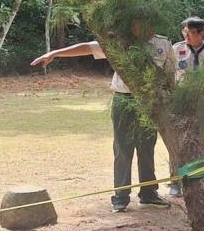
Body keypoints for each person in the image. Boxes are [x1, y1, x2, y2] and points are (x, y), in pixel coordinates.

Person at [32, 32, 176, 212]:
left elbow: (170, 74)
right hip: (123, 99)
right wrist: (54, 53)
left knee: (147, 146)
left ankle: (148, 194)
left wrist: (168, 102)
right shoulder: (120, 40)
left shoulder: (162, 43)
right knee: (122, 148)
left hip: (149, 101)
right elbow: (87, 47)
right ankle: (120, 197)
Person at [167, 16, 204, 197]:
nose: (186, 36)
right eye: (184, 32)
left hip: (202, 100)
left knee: (198, 140)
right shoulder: (176, 49)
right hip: (180, 98)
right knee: (176, 141)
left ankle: (196, 178)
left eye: (191, 32)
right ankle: (175, 181)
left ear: (202, 33)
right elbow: (167, 74)